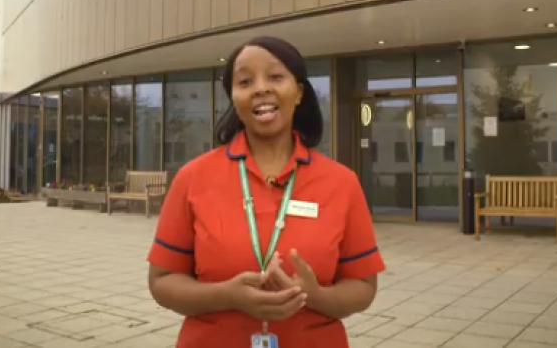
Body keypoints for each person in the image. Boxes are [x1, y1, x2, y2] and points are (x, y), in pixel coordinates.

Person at [147, 36, 385, 347]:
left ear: (298, 92)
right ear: (234, 97)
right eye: (245, 81)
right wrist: (226, 295)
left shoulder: (341, 182)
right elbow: (162, 281)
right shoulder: (193, 177)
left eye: (275, 76)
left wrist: (316, 297)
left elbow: (363, 286)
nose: (260, 88)